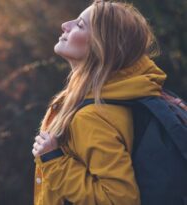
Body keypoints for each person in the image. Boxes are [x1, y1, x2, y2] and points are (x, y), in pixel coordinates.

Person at [32, 0, 167, 204]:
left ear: (102, 46)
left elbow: (120, 199)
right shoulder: (131, 93)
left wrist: (54, 160)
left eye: (79, 25)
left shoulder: (92, 117)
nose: (65, 25)